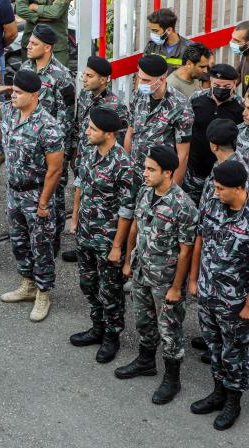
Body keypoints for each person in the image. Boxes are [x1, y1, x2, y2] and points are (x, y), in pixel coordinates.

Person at [0, 69, 63, 322]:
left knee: (41, 245)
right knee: (18, 241)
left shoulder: (48, 126)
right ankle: (27, 283)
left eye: (18, 92)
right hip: (13, 192)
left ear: (34, 95)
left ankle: (43, 292)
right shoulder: (9, 111)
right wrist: (0, 89)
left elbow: (55, 169)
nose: (13, 96)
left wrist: (44, 202)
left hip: (36, 193)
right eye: (13, 91)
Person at [118, 145, 197, 404]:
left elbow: (186, 252)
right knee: (143, 320)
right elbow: (137, 227)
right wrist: (129, 260)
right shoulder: (145, 192)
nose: (145, 173)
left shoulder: (183, 206)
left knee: (170, 329)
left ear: (168, 173)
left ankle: (172, 379)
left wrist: (177, 288)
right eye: (145, 168)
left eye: (151, 170)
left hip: (165, 280)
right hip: (142, 270)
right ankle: (145, 361)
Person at [67, 108, 137, 364]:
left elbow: (127, 211)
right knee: (88, 284)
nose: (86, 132)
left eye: (92, 129)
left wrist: (118, 246)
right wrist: (74, 219)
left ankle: (112, 335)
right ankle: (97, 327)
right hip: (86, 233)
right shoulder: (88, 152)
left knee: (111, 291)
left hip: (108, 240)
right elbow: (80, 186)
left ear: (109, 134)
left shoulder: (124, 165)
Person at [188, 160, 249, 431]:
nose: (216, 192)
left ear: (239, 188)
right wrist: (193, 278)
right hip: (207, 291)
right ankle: (218, 392)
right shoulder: (213, 202)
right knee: (213, 346)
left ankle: (232, 401)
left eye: (221, 189)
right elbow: (200, 237)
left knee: (233, 352)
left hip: (235, 301)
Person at [63, 56, 129, 263]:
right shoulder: (84, 96)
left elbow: (122, 137)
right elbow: (77, 125)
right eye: (85, 74)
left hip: (106, 163)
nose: (84, 79)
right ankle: (84, 244)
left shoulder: (115, 105)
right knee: (83, 199)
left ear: (103, 80)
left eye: (90, 76)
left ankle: (114, 249)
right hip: (85, 158)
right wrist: (75, 152)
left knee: (106, 207)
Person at [21, 24, 75, 255]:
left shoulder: (62, 77)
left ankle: (52, 245)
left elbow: (67, 119)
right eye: (29, 42)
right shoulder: (25, 68)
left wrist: (56, 151)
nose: (28, 46)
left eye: (33, 43)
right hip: (26, 147)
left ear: (48, 47)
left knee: (53, 196)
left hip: (50, 149)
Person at [125, 55, 193, 191]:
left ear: (161, 79)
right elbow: (130, 131)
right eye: (139, 78)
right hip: (135, 174)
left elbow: (183, 154)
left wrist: (172, 190)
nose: (140, 83)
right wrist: (126, 166)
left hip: (160, 178)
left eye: (146, 80)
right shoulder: (139, 95)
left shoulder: (180, 106)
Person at [183, 64, 243, 206]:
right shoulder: (196, 99)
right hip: (194, 172)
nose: (221, 89)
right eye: (217, 85)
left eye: (226, 86)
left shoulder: (240, 107)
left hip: (223, 176)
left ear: (235, 84)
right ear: (210, 81)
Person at [15, 0, 71, 67]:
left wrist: (34, 7)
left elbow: (55, 12)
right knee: (28, 74)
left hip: (56, 46)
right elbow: (20, 10)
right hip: (31, 42)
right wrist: (39, 17)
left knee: (59, 75)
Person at [142, 8, 191, 73]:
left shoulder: (189, 48)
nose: (152, 34)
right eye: (151, 30)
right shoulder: (151, 46)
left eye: (155, 31)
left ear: (169, 30)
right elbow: (142, 71)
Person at [230, 20, 249, 96]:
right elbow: (238, 74)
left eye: (237, 41)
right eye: (232, 38)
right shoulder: (245, 56)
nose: (231, 42)